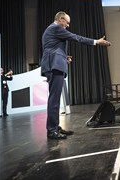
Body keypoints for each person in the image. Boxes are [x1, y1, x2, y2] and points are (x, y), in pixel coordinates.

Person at [41, 11, 111, 140]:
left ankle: (55, 127)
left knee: (55, 99)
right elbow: (75, 37)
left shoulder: (52, 29)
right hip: (54, 66)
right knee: (54, 100)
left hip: (55, 63)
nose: (67, 25)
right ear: (61, 19)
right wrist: (96, 42)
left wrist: (63, 57)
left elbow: (51, 47)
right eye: (67, 23)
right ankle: (51, 130)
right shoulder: (56, 27)